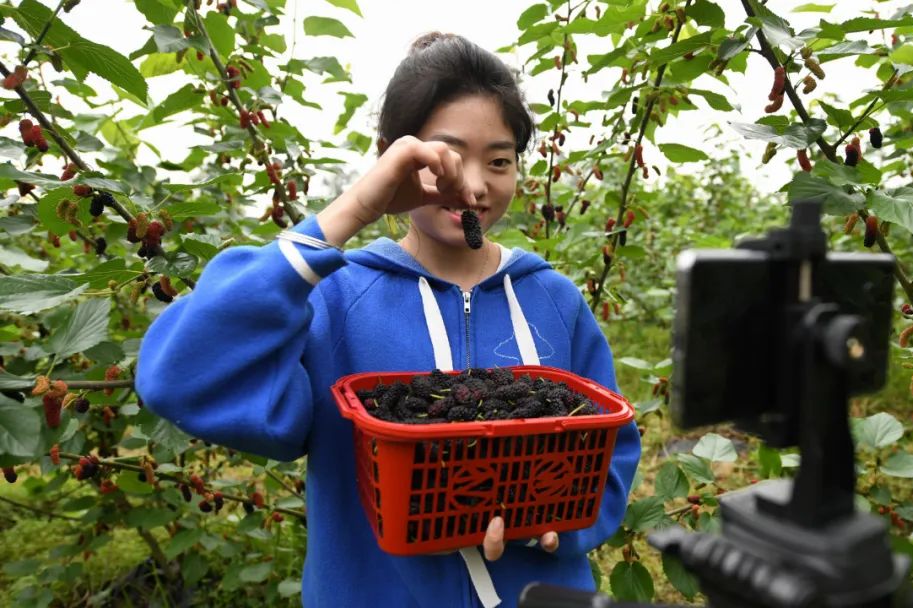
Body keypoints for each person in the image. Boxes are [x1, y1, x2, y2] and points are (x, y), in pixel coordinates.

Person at [136, 32, 641, 608]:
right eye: (445, 159)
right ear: (393, 157)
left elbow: (611, 447)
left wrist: (560, 523)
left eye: (499, 161)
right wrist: (351, 211)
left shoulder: (554, 300)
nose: (473, 186)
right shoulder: (336, 299)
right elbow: (179, 379)